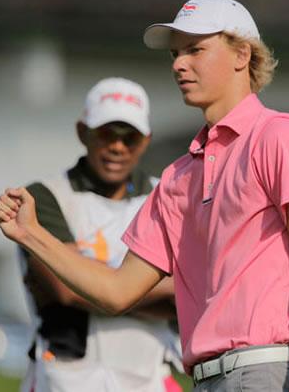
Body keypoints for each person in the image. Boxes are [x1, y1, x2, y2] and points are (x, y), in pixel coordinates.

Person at [0, 0, 289, 392]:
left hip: (266, 370)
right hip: (204, 379)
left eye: (196, 50)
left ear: (242, 55)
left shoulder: (281, 136)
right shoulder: (178, 177)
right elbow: (117, 292)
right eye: (176, 54)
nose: (179, 64)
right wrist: (30, 234)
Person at [16, 77, 183, 392]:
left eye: (129, 137)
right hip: (64, 379)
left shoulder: (170, 195)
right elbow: (66, 289)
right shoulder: (44, 196)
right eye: (106, 133)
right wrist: (164, 290)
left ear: (146, 140)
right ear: (83, 133)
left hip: (150, 378)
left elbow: (196, 288)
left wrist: (93, 281)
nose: (117, 147)